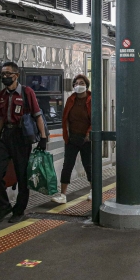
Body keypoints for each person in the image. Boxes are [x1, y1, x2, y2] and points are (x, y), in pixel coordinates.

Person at [0, 62, 48, 223]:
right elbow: (1, 119)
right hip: (6, 136)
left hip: (22, 136)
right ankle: (4, 206)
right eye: (2, 74)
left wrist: (43, 138)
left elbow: (37, 115)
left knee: (22, 175)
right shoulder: (1, 95)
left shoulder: (26, 92)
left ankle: (19, 209)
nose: (4, 77)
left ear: (16, 75)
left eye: (8, 74)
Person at [51, 74, 92, 204]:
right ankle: (63, 195)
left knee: (89, 165)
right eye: (76, 83)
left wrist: (88, 134)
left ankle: (93, 191)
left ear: (86, 85)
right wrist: (66, 135)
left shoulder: (92, 100)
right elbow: (65, 118)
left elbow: (94, 119)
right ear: (73, 86)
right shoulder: (70, 100)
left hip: (87, 139)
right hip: (72, 138)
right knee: (67, 165)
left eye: (82, 83)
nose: (79, 85)